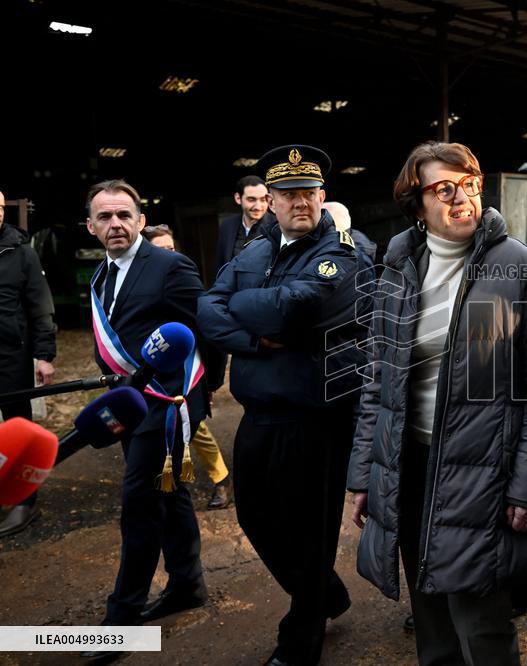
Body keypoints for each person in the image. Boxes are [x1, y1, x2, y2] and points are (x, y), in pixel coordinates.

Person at [348, 141, 527, 666]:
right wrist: (364, 475)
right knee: (431, 618)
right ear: (415, 203)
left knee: (481, 623)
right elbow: (379, 379)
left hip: (484, 474)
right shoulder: (398, 267)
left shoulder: (519, 269)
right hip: (411, 466)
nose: (462, 198)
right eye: (444, 189)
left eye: (470, 184)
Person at [199, 144, 372, 666]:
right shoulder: (254, 250)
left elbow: (301, 304)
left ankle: (301, 641)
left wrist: (243, 310)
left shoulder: (342, 250)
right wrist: (254, 340)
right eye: (288, 193)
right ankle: (327, 594)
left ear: (323, 196)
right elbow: (206, 307)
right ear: (268, 201)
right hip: (260, 411)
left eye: (308, 192)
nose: (300, 202)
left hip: (316, 415)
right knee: (254, 515)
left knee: (310, 529)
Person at [82, 180, 221, 658]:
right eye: (105, 217)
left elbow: (206, 331)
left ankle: (120, 620)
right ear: (91, 227)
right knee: (170, 493)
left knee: (138, 506)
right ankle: (187, 584)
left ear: (141, 221)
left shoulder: (169, 265)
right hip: (130, 406)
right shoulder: (101, 277)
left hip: (168, 406)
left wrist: (202, 391)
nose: (115, 224)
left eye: (124, 214)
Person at [141, 224, 231, 510]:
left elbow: (207, 329)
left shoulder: (183, 284)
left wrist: (210, 383)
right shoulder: (137, 285)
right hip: (150, 371)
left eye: (171, 249)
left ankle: (220, 479)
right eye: (160, 250)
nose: (169, 256)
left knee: (195, 427)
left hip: (182, 375)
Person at [0, 189, 56, 538]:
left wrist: (45, 355)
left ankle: (25, 501)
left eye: (0, 207)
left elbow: (40, 306)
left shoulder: (21, 253)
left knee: (18, 426)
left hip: (10, 356)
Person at [214, 175, 272, 276]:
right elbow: (220, 265)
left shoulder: (277, 226)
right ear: (238, 198)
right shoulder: (227, 226)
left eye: (263, 200)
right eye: (251, 199)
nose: (258, 206)